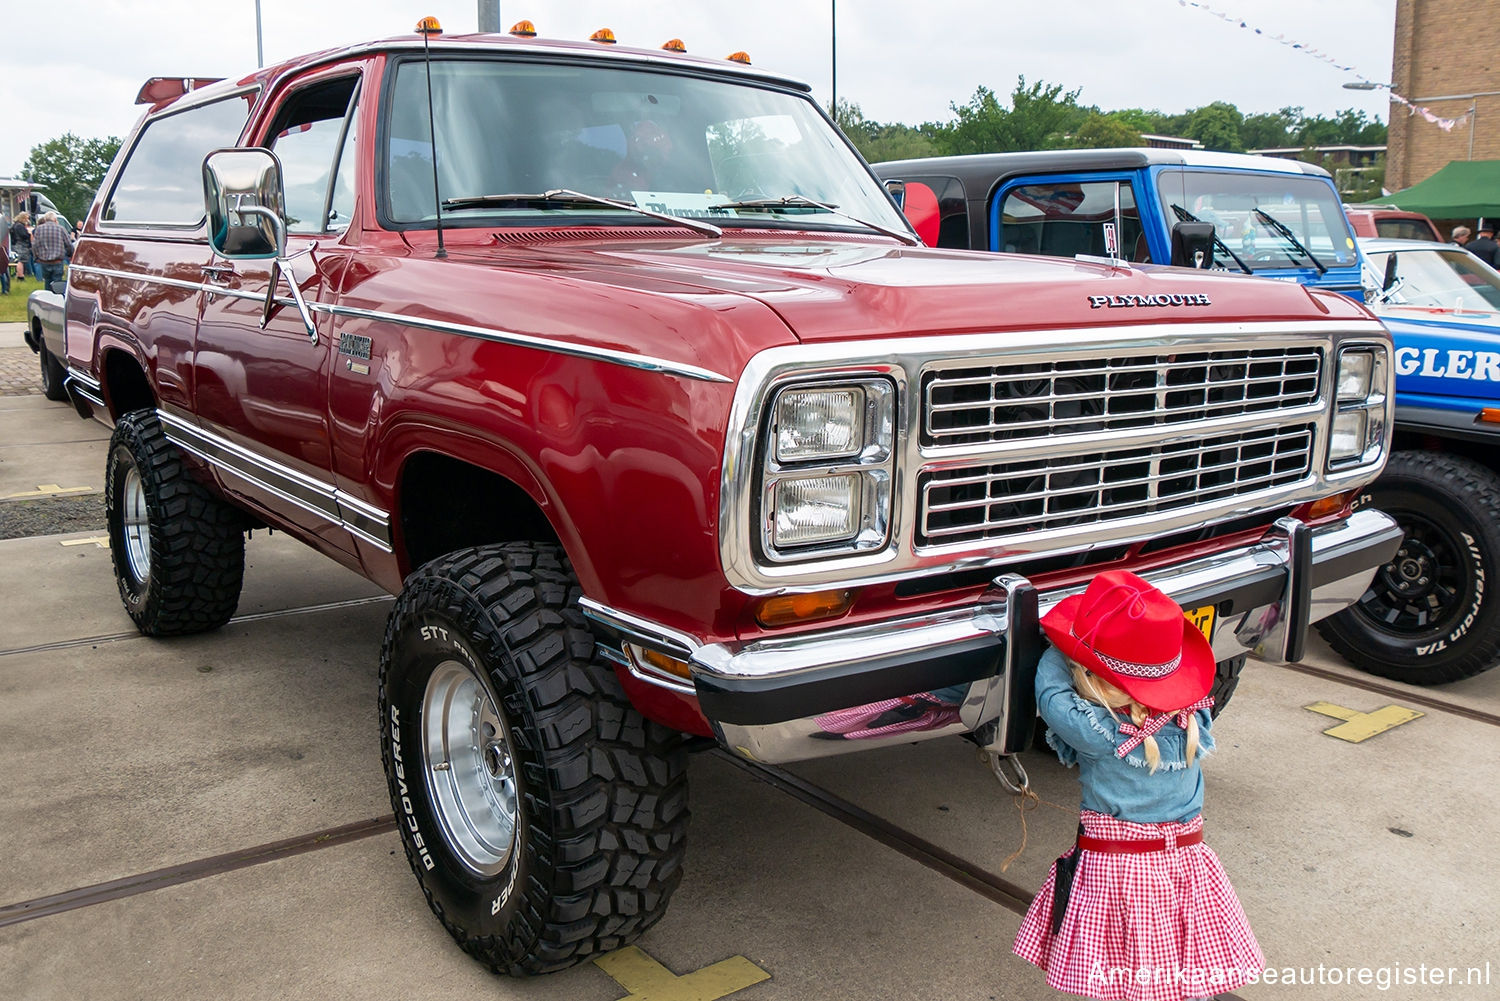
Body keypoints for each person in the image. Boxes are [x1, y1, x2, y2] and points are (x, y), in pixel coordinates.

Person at [1013, 569, 1263, 1001]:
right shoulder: (1194, 717)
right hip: (1186, 864)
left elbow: (1051, 695)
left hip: (1118, 871)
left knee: (1122, 961)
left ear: (1093, 676)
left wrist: (1064, 644)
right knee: (1179, 952)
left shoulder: (1098, 732)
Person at [30, 212, 73, 289]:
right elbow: (68, 244)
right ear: (55, 219)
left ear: (45, 219)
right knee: (57, 282)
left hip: (44, 261)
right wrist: (70, 255)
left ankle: (48, 297)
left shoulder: (39, 229)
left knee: (47, 281)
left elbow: (34, 245)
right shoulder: (61, 229)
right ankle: (56, 298)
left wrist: (36, 257)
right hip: (58, 260)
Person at [10, 210, 34, 283]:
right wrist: (29, 234)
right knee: (21, 261)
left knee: (20, 261)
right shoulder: (20, 226)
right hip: (21, 245)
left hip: (16, 244)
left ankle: (19, 274)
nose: (27, 220)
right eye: (27, 218)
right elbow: (24, 235)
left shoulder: (15, 225)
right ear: (23, 218)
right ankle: (20, 276)